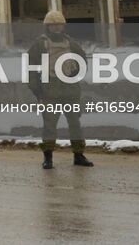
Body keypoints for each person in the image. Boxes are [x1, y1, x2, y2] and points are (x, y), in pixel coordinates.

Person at [27, 9, 93, 169]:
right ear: (47, 27)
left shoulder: (70, 43)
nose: (56, 28)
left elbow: (82, 59)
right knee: (49, 126)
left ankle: (79, 155)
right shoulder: (39, 44)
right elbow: (31, 69)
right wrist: (37, 91)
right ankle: (48, 157)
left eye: (59, 25)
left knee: (75, 124)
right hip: (49, 90)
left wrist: (76, 72)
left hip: (70, 90)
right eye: (53, 25)